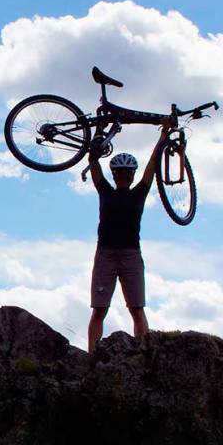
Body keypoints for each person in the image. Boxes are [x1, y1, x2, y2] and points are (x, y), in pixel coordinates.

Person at [87, 124, 170, 353]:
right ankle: (92, 356)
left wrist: (163, 138)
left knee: (137, 308)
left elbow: (152, 166)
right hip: (106, 254)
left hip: (131, 255)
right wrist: (97, 134)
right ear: (114, 175)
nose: (123, 176)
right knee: (99, 310)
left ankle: (143, 355)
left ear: (132, 175)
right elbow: (93, 162)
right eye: (119, 173)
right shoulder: (105, 191)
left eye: (127, 173)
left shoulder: (139, 193)